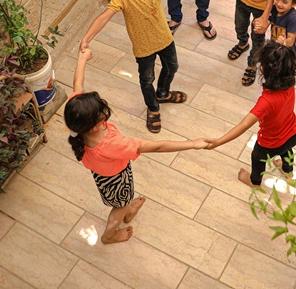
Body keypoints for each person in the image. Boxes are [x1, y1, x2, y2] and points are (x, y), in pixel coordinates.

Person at [64, 48, 207, 244]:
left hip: (102, 175)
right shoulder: (112, 145)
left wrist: (82, 59)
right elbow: (157, 147)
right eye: (102, 114)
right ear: (96, 125)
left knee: (123, 201)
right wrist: (192, 144)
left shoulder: (75, 117)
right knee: (119, 206)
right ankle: (109, 234)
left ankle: (128, 208)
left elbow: (77, 85)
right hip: (116, 179)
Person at [79, 0, 192, 133]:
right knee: (147, 79)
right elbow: (105, 16)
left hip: (164, 37)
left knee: (172, 67)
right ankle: (153, 108)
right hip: (143, 47)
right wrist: (87, 38)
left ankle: (163, 93)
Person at [204, 41, 296, 188]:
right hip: (293, 134)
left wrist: (219, 141)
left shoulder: (266, 101)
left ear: (262, 69)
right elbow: (283, 58)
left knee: (257, 159)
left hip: (270, 145)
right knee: (287, 150)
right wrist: (281, 47)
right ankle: (288, 171)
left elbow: (244, 124)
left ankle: (254, 182)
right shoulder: (290, 83)